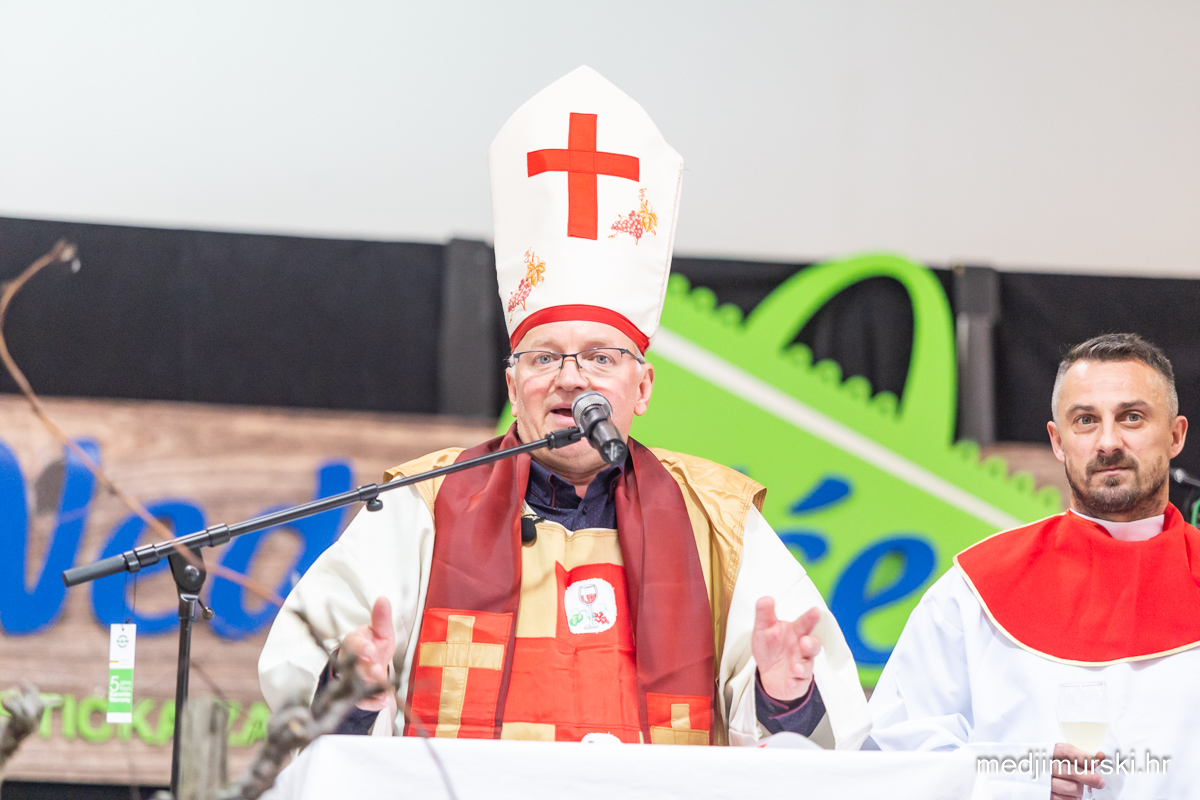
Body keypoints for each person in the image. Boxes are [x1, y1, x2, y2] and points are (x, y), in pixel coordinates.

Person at [258, 66, 870, 748]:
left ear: (643, 387)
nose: (570, 380)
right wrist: (349, 685)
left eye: (601, 358)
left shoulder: (716, 521)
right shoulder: (424, 504)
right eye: (544, 357)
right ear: (512, 384)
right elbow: (307, 675)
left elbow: (820, 732)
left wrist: (784, 695)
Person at [868, 333, 1200, 798]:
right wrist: (1013, 781)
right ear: (1058, 442)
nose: (1108, 442)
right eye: (1085, 420)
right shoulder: (973, 591)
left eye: (1132, 417)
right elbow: (893, 755)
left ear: (1176, 435)